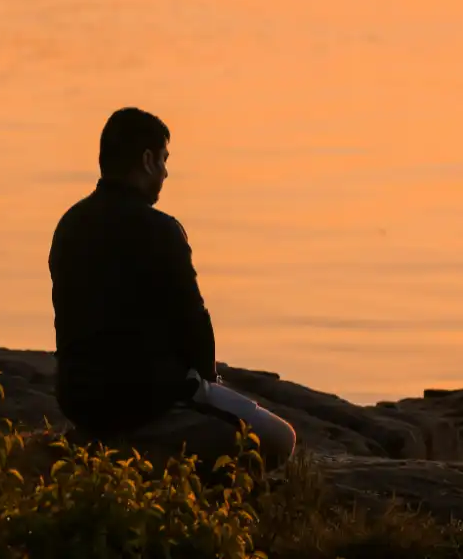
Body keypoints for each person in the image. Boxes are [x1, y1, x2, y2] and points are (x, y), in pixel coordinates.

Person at [48, 107, 297, 469]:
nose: (166, 172)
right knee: (279, 439)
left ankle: (105, 442)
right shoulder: (160, 230)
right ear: (147, 160)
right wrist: (206, 382)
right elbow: (193, 322)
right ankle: (139, 458)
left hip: (79, 398)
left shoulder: (69, 224)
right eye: (164, 160)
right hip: (145, 401)